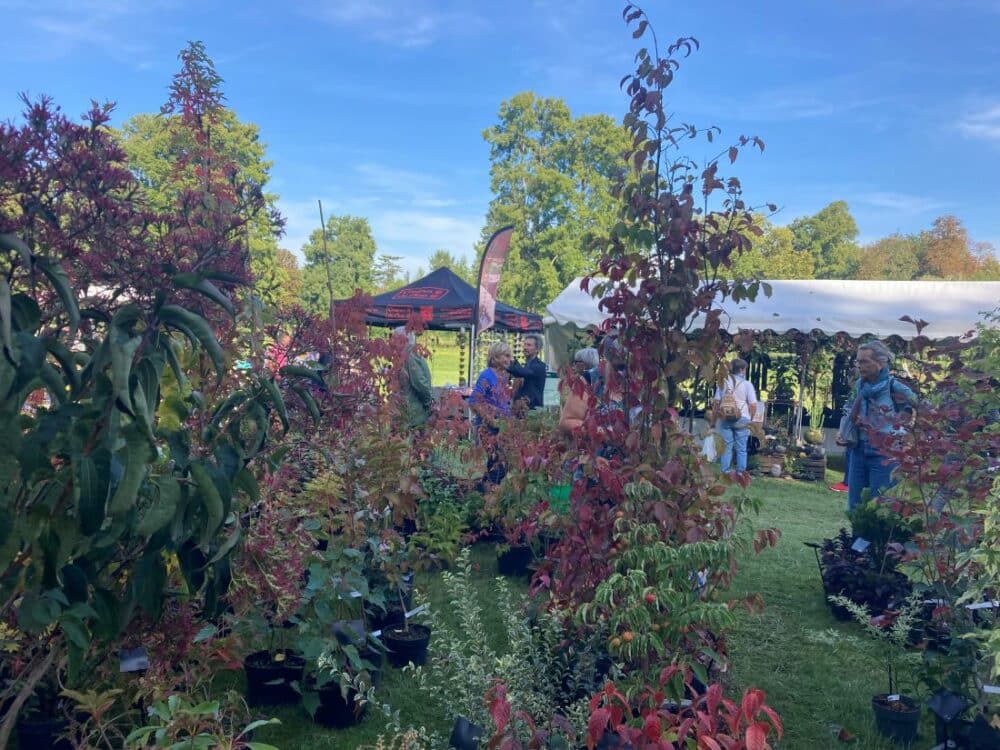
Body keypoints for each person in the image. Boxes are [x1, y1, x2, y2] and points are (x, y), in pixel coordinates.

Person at [846, 340, 916, 511]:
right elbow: (851, 413)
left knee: (879, 504)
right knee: (855, 505)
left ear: (879, 363)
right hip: (858, 449)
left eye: (864, 361)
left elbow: (917, 402)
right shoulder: (859, 385)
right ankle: (856, 538)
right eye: (857, 361)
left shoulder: (893, 386)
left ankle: (876, 539)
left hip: (884, 452)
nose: (859, 366)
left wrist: (904, 421)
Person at [470, 341, 513, 485]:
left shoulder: (505, 376)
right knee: (495, 464)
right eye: (506, 356)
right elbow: (474, 402)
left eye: (510, 356)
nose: (510, 359)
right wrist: (491, 421)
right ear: (495, 357)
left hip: (503, 426)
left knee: (502, 464)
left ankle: (491, 495)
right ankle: (486, 496)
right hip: (488, 428)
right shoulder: (487, 376)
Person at [712, 358, 759, 473]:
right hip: (742, 419)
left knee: (726, 447)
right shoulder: (747, 385)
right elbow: (753, 405)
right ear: (742, 370)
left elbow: (716, 402)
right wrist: (751, 418)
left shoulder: (723, 383)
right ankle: (740, 473)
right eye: (745, 369)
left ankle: (725, 472)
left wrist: (715, 418)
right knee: (741, 448)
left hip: (725, 418)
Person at [393, 327, 433, 428]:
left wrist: (428, 404)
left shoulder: (410, 356)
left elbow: (420, 384)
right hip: (406, 414)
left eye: (395, 339)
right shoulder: (403, 356)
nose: (392, 342)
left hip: (413, 416)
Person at [506, 333, 547, 411]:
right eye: (524, 344)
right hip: (522, 408)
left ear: (537, 349)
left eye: (529, 345)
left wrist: (507, 362)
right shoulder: (527, 365)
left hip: (533, 410)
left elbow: (522, 372)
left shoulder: (539, 366)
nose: (525, 347)